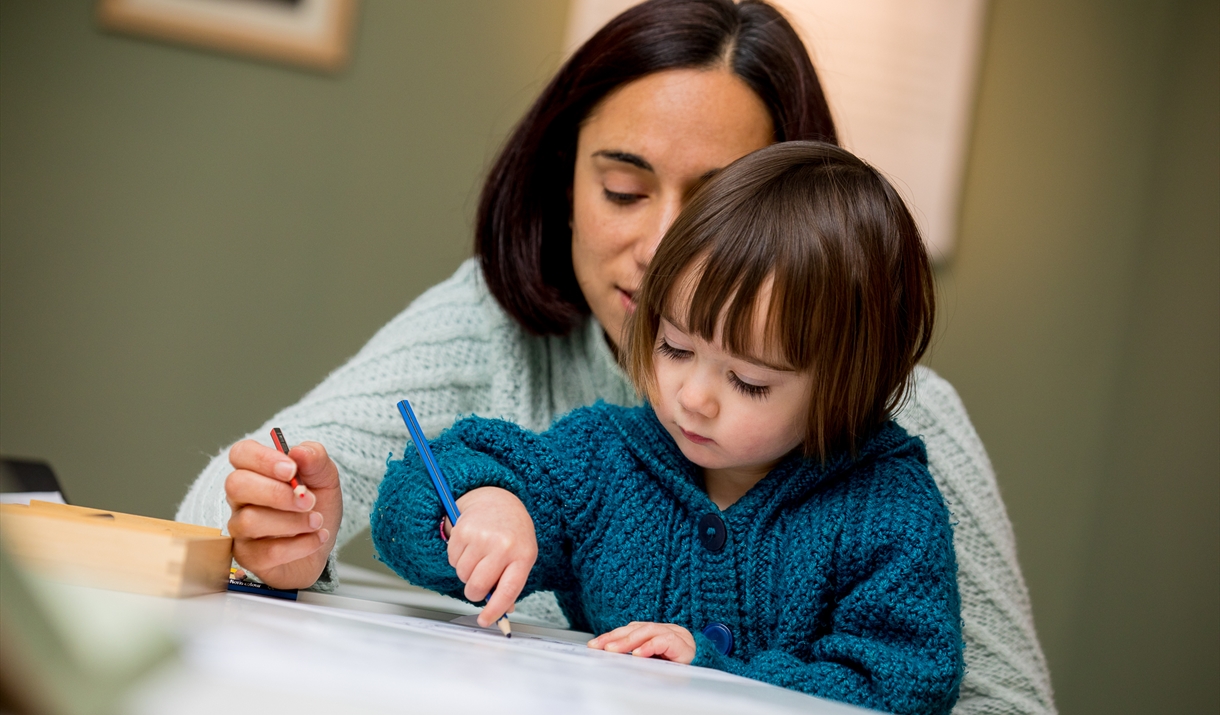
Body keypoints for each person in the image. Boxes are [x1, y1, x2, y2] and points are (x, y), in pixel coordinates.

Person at [175, 1, 1054, 712]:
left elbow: (970, 693)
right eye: (624, 188)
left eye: (716, 213)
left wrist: (724, 673)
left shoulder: (891, 460)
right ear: (563, 179)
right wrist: (289, 536)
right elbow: (241, 508)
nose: (663, 247)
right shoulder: (588, 430)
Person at [372, 141, 964, 713]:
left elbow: (905, 689)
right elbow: (410, 501)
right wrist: (486, 503)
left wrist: (719, 673)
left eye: (748, 381)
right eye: (675, 347)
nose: (693, 398)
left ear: (850, 387)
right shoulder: (604, 460)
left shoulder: (887, 509)